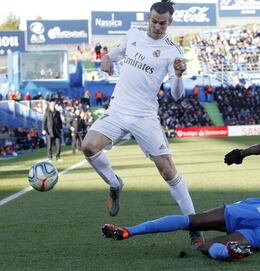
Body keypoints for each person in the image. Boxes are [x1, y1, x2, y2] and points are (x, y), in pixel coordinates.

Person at [81, 0, 203, 249]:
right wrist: (106, 58)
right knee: (89, 147)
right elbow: (116, 53)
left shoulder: (172, 51)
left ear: (170, 23)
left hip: (145, 115)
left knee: (168, 171)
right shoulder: (133, 33)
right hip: (117, 109)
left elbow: (177, 94)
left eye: (163, 23)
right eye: (154, 21)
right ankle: (115, 184)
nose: (157, 27)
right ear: (149, 18)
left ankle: (195, 227)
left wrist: (179, 76)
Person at [101, 143, 260, 261]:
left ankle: (129, 231)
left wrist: (241, 153)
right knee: (209, 247)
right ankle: (229, 251)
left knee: (192, 221)